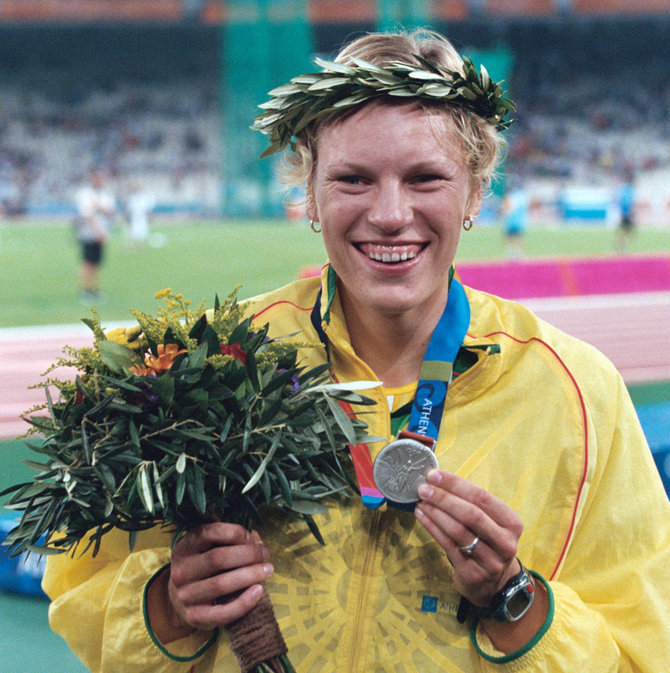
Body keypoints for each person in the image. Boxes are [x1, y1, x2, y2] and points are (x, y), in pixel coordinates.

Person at [43, 30, 670, 673]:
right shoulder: (206, 364)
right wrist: (170, 605)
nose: (391, 213)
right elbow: (80, 590)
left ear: (477, 193)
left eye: (426, 177)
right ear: (310, 194)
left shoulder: (578, 394)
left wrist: (515, 600)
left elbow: (644, 650)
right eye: (353, 179)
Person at [73, 169, 117, 301]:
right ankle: (85, 290)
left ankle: (95, 289)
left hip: (102, 233)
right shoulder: (85, 193)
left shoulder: (105, 194)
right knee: (87, 263)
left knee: (97, 264)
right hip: (88, 233)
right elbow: (87, 215)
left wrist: (99, 208)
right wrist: (97, 231)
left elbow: (109, 212)